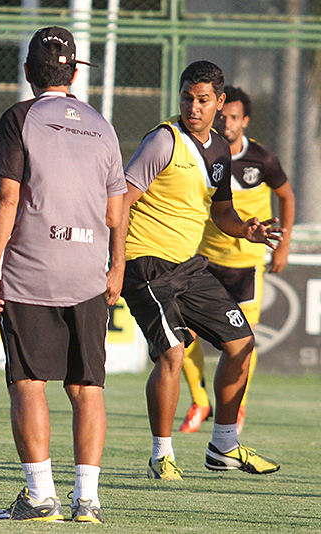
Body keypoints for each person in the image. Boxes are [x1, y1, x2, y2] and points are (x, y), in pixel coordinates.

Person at [0, 26, 126, 523]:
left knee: (29, 382)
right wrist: (117, 266)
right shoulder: (101, 125)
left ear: (28, 73)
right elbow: (116, 209)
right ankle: (88, 500)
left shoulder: (19, 117)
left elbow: (7, 196)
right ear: (75, 72)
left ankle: (42, 497)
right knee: (88, 388)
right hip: (89, 272)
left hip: (31, 271)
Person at [120, 61, 282, 480]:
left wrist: (247, 229)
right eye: (187, 98)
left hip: (188, 265)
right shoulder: (163, 140)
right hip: (145, 262)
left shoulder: (219, 151)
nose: (194, 107)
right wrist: (114, 262)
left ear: (220, 102)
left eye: (203, 100)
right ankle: (162, 454)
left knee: (242, 344)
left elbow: (222, 212)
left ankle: (224, 447)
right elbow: (119, 201)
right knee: (173, 353)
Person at [179, 86, 295, 435]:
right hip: (203, 259)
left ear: (244, 121)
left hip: (246, 264)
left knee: (245, 340)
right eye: (223, 115)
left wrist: (283, 245)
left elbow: (286, 197)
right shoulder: (202, 152)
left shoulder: (262, 159)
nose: (226, 123)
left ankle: (236, 405)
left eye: (233, 117)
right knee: (184, 335)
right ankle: (199, 401)